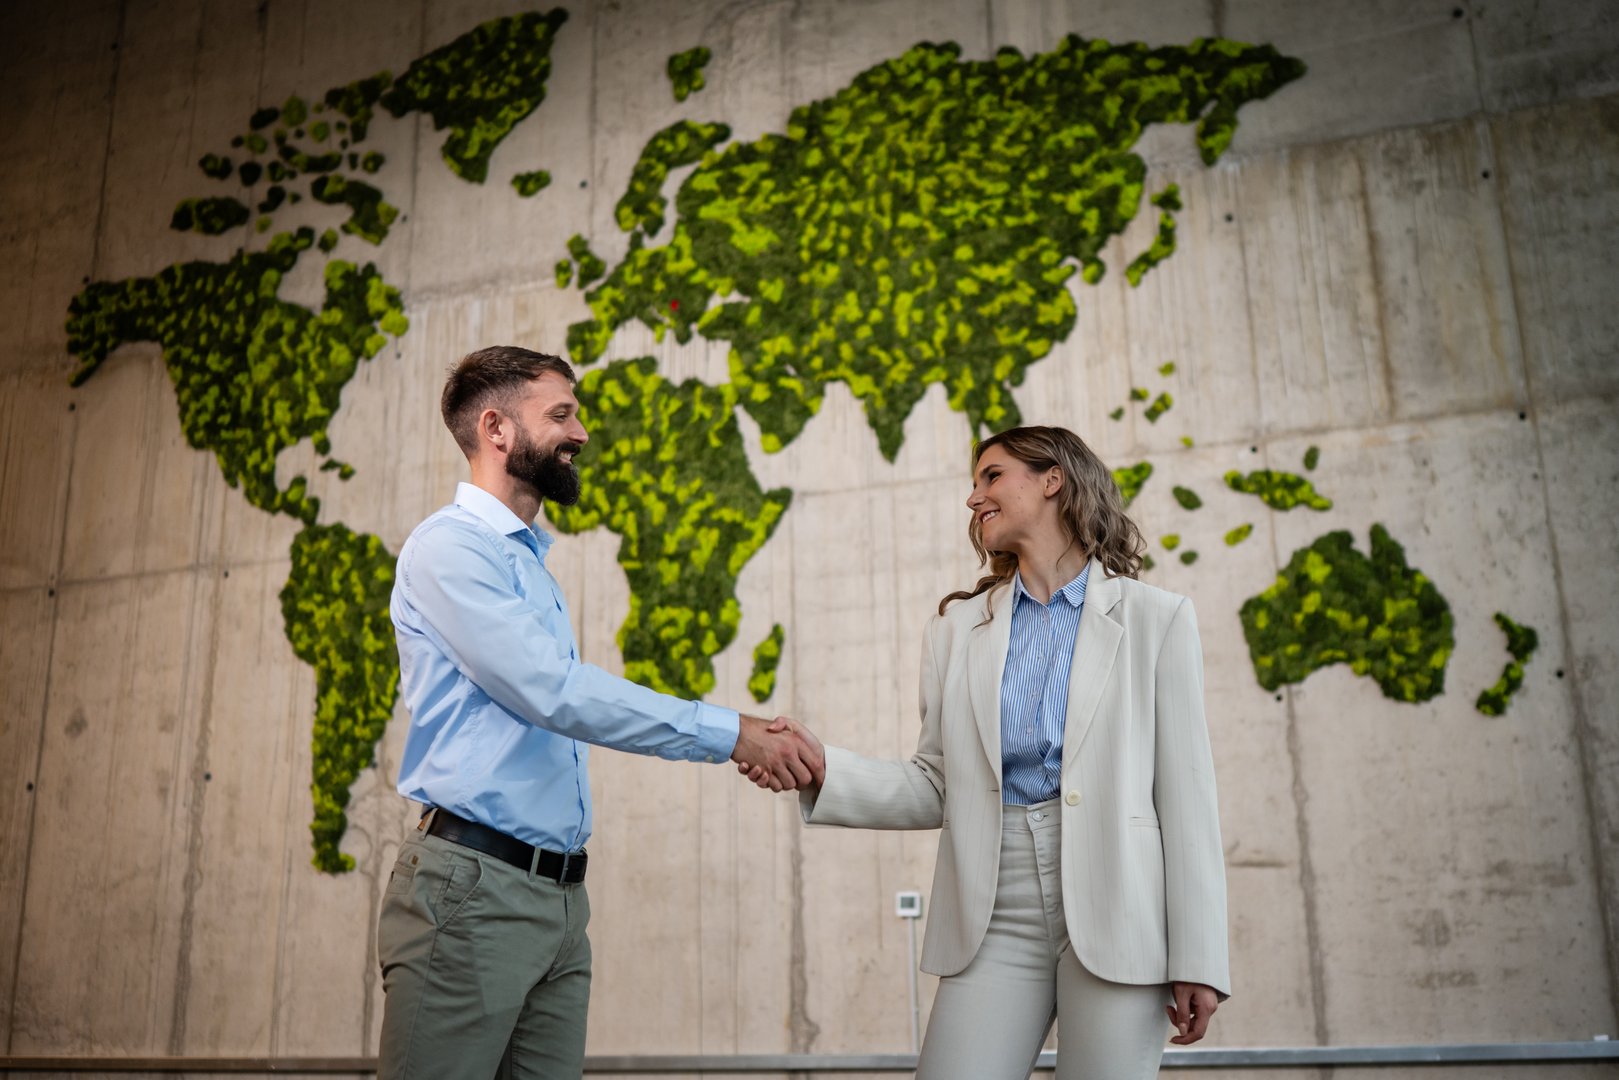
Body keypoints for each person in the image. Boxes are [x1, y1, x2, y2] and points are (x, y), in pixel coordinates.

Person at [378, 345, 823, 1080]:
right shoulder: (449, 551)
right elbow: (551, 691)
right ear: (495, 428)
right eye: (560, 414)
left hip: (557, 903)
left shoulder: (527, 562)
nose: (579, 431)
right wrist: (731, 733)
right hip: (472, 893)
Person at [744, 425, 1229, 1079]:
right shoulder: (954, 631)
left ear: (1051, 478)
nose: (974, 499)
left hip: (1122, 909)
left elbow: (1186, 796)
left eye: (991, 477)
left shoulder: (1156, 619)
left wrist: (1199, 956)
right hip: (992, 909)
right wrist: (826, 769)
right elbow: (937, 783)